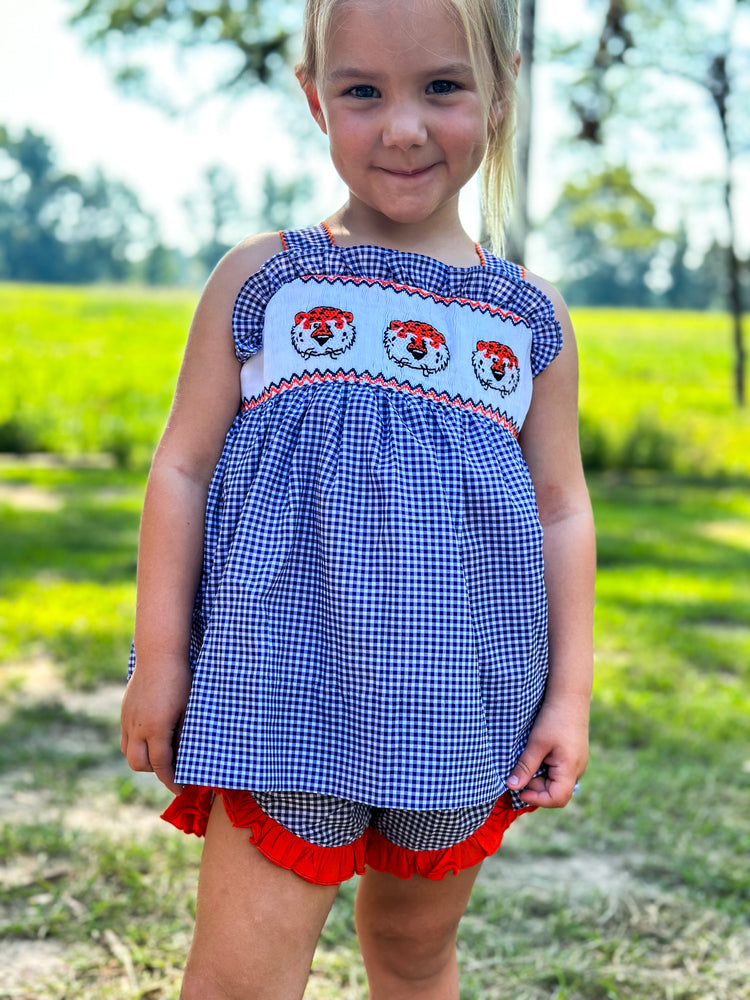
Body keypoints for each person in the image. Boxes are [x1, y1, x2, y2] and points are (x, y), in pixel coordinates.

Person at [121, 0, 596, 996]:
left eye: (442, 88)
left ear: (501, 91)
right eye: (363, 92)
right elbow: (181, 469)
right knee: (242, 976)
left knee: (416, 950)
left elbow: (560, 508)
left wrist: (569, 695)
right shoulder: (268, 282)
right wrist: (160, 660)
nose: (404, 126)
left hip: (464, 701)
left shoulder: (529, 317)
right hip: (279, 689)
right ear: (314, 98)